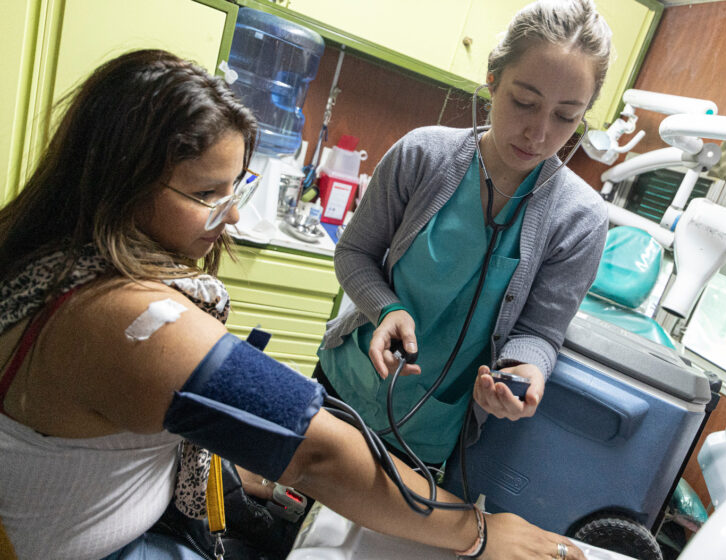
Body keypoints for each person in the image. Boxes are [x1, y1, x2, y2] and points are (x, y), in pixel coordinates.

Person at [0, 49, 585, 560]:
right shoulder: (134, 322)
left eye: (235, 189)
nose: (229, 214)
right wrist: (480, 532)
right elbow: (317, 454)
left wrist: (233, 465)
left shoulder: (54, 263)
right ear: (116, 180)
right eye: (206, 194)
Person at [315, 0, 611, 466]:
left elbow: (539, 331)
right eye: (524, 101)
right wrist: (385, 306)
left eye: (565, 116)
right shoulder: (422, 155)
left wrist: (525, 369)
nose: (538, 132)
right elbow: (353, 253)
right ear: (493, 78)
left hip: (430, 430)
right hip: (341, 382)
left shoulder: (581, 218)